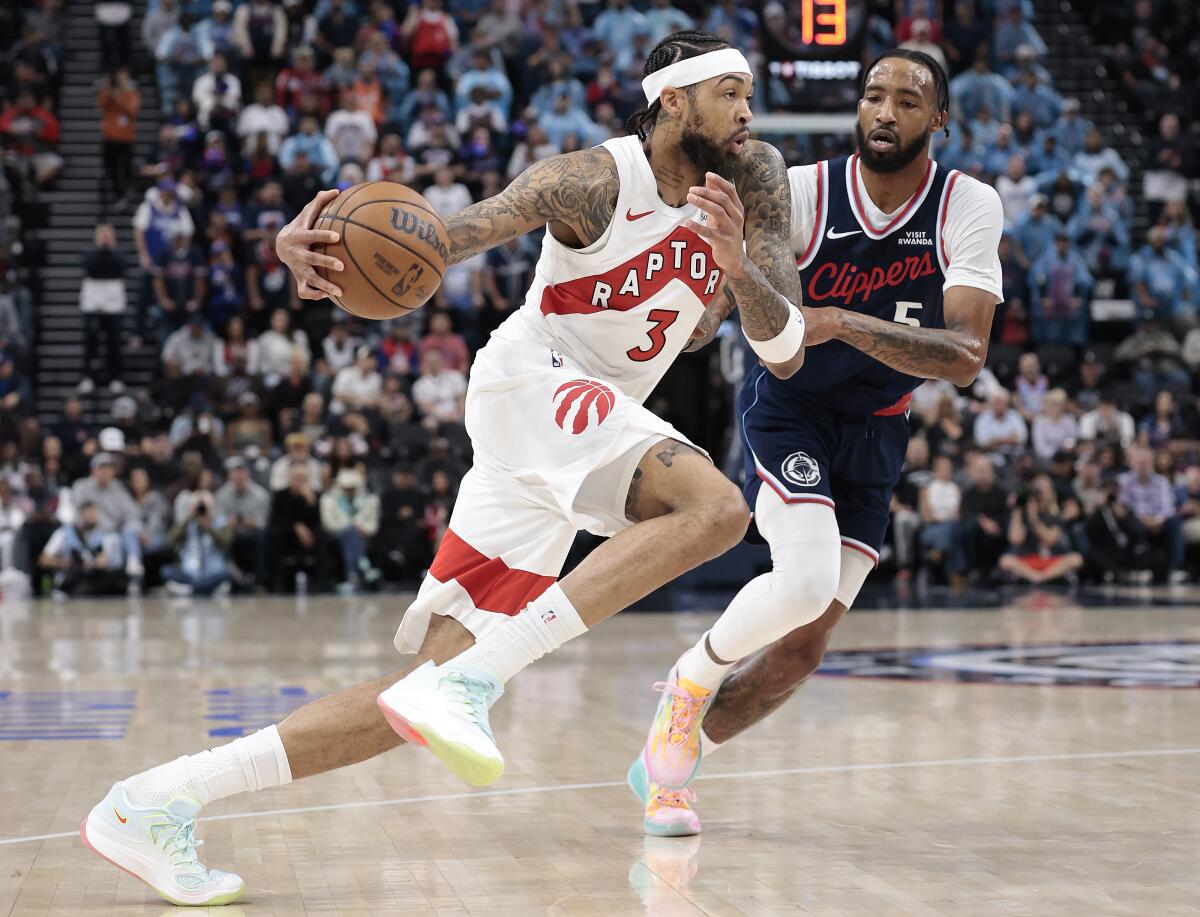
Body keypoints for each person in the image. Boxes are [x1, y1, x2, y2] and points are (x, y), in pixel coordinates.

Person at [82, 31, 807, 904]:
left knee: (410, 702)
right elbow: (443, 238)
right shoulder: (591, 178)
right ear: (676, 101)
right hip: (534, 383)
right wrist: (320, 253)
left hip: (572, 432)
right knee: (715, 510)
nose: (747, 112)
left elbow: (784, 343)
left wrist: (732, 271)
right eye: (730, 93)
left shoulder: (754, 176)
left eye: (749, 95)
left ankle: (154, 800)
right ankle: (478, 678)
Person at [628, 49, 1003, 835]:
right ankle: (686, 687)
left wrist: (839, 321)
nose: (884, 111)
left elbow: (966, 357)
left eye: (907, 100)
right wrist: (698, 312)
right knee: (799, 582)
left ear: (938, 120)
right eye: (872, 95)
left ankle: (672, 760)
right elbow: (753, 314)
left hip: (877, 429)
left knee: (800, 651)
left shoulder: (967, 206)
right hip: (790, 408)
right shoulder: (800, 190)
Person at [79, 224, 129, 394]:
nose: (106, 239)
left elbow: (121, 266)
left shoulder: (119, 255)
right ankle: (89, 376)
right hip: (93, 296)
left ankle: (115, 377)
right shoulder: (89, 254)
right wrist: (102, 250)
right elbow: (89, 266)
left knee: (113, 341)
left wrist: (110, 250)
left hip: (113, 297)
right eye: (102, 235)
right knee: (90, 340)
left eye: (109, 236)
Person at [39, 502, 127, 598]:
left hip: (93, 576)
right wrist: (62, 562)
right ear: (80, 515)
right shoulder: (64, 533)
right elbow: (43, 560)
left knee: (118, 576)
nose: (91, 516)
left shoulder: (103, 535)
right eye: (88, 513)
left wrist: (93, 564)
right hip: (72, 576)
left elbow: (106, 562)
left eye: (93, 513)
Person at [162, 490, 235, 596]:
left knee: (228, 573)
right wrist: (188, 518)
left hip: (214, 572)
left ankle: (191, 589)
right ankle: (206, 588)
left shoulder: (222, 523)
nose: (202, 510)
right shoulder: (187, 524)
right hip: (189, 573)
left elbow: (226, 543)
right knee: (166, 571)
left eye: (204, 506)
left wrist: (209, 528)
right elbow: (169, 541)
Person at [319, 467, 381, 592]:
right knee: (350, 533)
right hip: (336, 535)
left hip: (363, 536)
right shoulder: (328, 500)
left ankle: (351, 576)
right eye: (346, 488)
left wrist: (360, 529)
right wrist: (353, 527)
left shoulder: (371, 500)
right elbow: (328, 524)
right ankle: (364, 566)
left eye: (352, 488)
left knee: (351, 535)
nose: (349, 491)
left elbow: (373, 525)